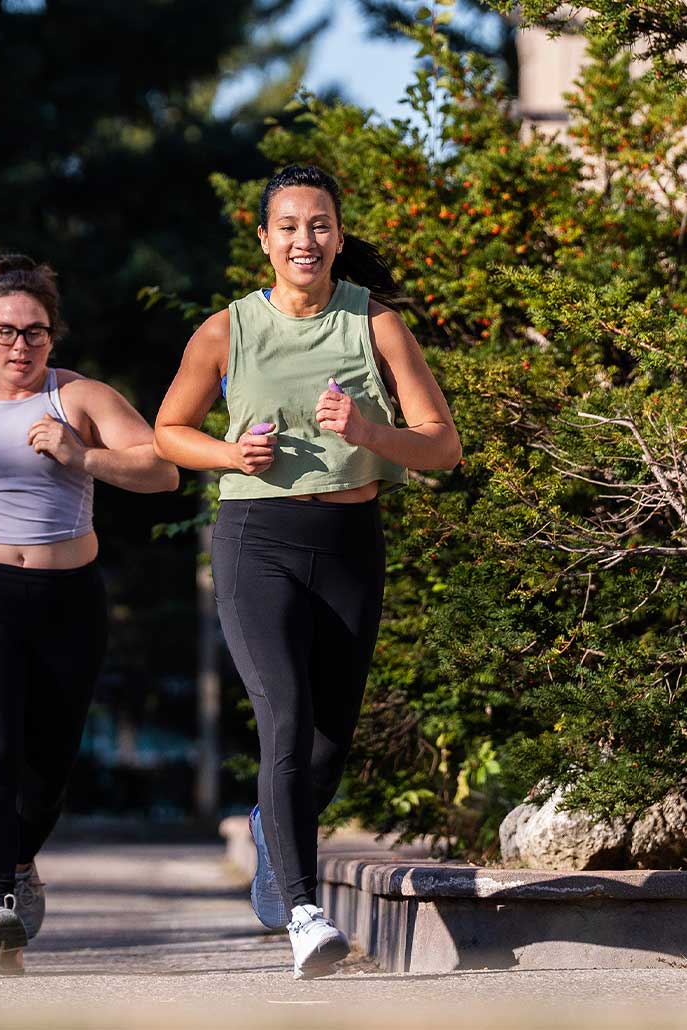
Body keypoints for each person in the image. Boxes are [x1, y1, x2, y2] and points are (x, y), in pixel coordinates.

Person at [151, 164, 461, 980]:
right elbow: (167, 431)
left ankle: (271, 829)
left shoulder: (377, 324)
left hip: (352, 541)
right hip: (258, 538)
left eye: (319, 224)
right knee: (285, 718)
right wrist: (229, 454)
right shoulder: (226, 330)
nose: (305, 240)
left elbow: (443, 444)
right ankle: (303, 913)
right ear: (264, 240)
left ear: (339, 235)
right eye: (288, 226)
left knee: (327, 745)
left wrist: (369, 431)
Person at [0, 255, 178, 974]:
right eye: (5, 331)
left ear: (52, 335)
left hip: (68, 599)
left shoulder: (81, 398)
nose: (19, 345)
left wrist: (82, 457)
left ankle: (20, 861)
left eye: (34, 332)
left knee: (50, 768)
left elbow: (161, 469)